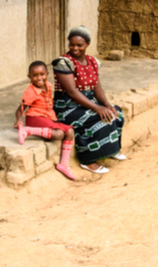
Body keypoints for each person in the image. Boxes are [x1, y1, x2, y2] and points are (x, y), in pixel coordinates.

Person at [52, 26, 126, 174]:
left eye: (79, 45)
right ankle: (88, 160)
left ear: (87, 44)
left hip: (87, 103)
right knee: (96, 118)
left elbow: (97, 87)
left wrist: (106, 104)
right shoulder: (64, 62)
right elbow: (72, 92)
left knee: (116, 112)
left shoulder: (93, 61)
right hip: (67, 107)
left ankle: (110, 151)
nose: (75, 48)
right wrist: (97, 108)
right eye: (72, 44)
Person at [14, 60, 77, 181]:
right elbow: (19, 109)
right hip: (35, 119)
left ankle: (63, 164)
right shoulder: (30, 92)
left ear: (47, 74)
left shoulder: (48, 85)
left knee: (69, 132)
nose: (39, 78)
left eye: (42, 74)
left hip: (47, 118)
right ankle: (27, 131)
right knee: (59, 134)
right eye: (35, 75)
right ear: (29, 77)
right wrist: (18, 120)